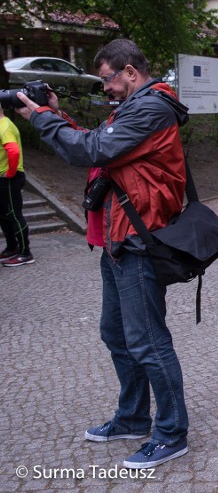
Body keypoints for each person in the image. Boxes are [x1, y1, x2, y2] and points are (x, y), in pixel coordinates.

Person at [14, 39, 190, 469]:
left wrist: (42, 119)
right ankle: (133, 417)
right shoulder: (133, 107)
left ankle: (171, 433)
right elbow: (98, 144)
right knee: (116, 334)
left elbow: (93, 150)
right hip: (117, 238)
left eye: (108, 78)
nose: (105, 87)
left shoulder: (151, 108)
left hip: (137, 239)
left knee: (147, 341)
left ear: (130, 71)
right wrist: (54, 114)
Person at [0, 109, 33, 266]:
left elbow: (13, 151)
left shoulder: (4, 126)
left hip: (9, 179)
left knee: (13, 215)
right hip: (4, 178)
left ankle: (25, 252)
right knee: (4, 215)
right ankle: (12, 248)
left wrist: (10, 172)